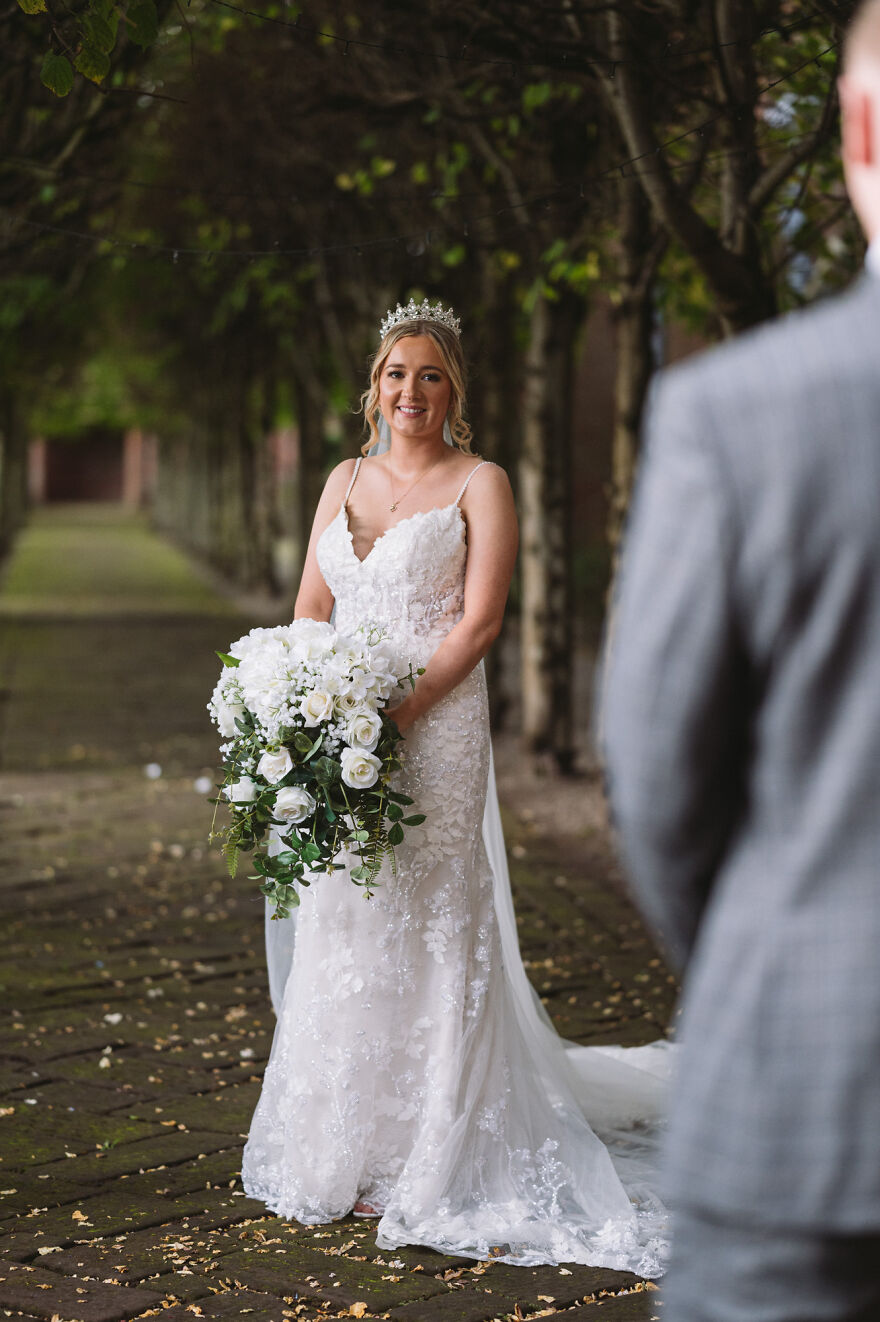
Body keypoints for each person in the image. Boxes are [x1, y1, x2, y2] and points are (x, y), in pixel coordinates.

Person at [241, 297, 672, 1273]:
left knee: (430, 915)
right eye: (398, 374)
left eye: (430, 375)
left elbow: (479, 623)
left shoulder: (483, 483)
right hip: (341, 727)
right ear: (375, 387)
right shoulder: (343, 478)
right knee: (345, 911)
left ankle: (433, 1143)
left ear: (454, 390)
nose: (412, 391)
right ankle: (345, 1140)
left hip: (434, 728)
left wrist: (399, 712)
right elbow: (311, 604)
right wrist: (306, 706)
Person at [599, 3, 880, 1316]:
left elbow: (660, 778)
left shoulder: (737, 414)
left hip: (803, 1111)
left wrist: (773, 958)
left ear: (857, 130)